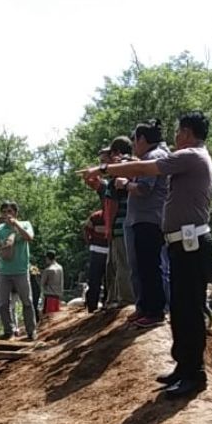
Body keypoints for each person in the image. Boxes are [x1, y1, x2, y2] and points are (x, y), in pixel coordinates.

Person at [85, 111, 212, 398]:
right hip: (181, 243)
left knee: (190, 312)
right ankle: (184, 368)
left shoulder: (192, 156)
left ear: (186, 132)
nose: (174, 137)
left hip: (191, 243)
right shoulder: (190, 158)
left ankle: (194, 373)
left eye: (178, 132)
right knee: (181, 310)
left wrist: (106, 170)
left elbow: (148, 169)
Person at [126, 120, 170, 329]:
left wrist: (126, 184)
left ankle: (155, 311)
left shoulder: (153, 158)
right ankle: (145, 307)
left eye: (134, 140)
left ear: (142, 139)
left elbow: (144, 189)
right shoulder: (149, 157)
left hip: (150, 219)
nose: (133, 144)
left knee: (151, 267)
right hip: (143, 219)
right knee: (143, 266)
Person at [0, 200, 36, 340]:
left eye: (10, 211)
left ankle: (31, 331)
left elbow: (29, 237)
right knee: (3, 303)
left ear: (15, 213)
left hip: (21, 270)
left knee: (27, 301)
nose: (7, 215)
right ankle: (9, 330)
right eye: (4, 212)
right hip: (4, 271)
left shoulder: (25, 224)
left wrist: (16, 224)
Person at [99, 137, 135, 309]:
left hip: (121, 227)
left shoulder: (118, 178)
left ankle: (125, 300)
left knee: (121, 264)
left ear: (116, 154)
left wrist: (109, 228)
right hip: (133, 225)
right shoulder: (136, 168)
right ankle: (116, 298)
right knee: (121, 264)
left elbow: (112, 205)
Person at [83, 208, 110, 313]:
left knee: (94, 280)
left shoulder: (95, 216)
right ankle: (105, 303)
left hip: (96, 250)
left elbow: (86, 229)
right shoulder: (100, 216)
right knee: (108, 280)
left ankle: (92, 305)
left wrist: (89, 242)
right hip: (108, 251)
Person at [41, 251, 65, 317]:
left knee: (48, 318)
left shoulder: (48, 270)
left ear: (48, 258)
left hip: (49, 297)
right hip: (57, 296)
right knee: (56, 318)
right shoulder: (60, 267)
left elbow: (42, 283)